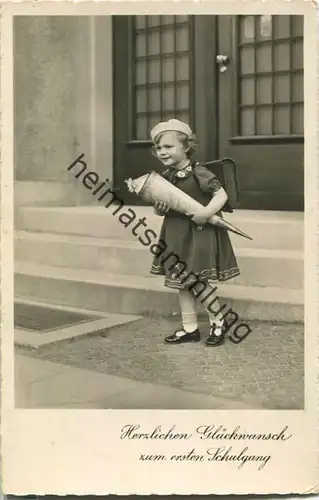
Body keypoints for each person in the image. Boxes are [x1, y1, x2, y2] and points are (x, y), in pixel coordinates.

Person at [149, 118, 240, 346]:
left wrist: (206, 212)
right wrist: (159, 209)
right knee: (182, 284)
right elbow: (163, 206)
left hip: (198, 233)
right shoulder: (165, 177)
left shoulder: (200, 173)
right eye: (159, 148)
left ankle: (218, 322)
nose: (162, 152)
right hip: (175, 234)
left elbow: (221, 195)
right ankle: (190, 328)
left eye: (168, 147)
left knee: (199, 282)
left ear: (186, 147)